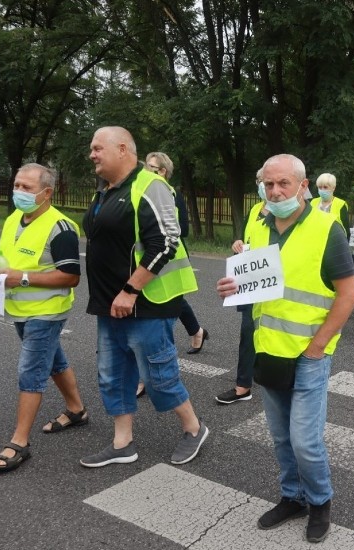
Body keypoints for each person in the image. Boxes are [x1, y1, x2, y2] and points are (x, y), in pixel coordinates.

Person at [216, 153, 354, 544]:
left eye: (283, 183)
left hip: (309, 353)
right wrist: (231, 288)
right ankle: (292, 497)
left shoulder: (327, 229)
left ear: (302, 185)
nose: (275, 191)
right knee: (280, 436)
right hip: (269, 347)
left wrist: (317, 347)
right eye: (269, 184)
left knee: (304, 441)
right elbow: (252, 287)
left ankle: (320, 501)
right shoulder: (258, 226)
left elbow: (348, 296)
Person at [80, 126, 208, 468]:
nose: (91, 154)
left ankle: (194, 428)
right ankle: (123, 443)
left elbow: (165, 242)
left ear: (122, 149)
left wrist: (130, 290)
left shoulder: (151, 186)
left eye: (97, 148)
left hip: (146, 301)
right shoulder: (105, 189)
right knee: (113, 374)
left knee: (157, 376)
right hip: (110, 302)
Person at [0, 163, 87, 472]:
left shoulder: (61, 227)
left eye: (27, 188)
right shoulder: (14, 219)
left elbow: (70, 277)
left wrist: (22, 278)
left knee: (31, 369)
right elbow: (1, 265)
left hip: (48, 312)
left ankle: (19, 442)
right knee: (51, 360)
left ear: (47, 193)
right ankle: (77, 409)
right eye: (17, 185)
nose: (19, 192)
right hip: (20, 311)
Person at [145, 152, 209, 355]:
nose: (146, 171)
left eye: (151, 168)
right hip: (150, 253)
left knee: (171, 301)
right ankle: (197, 331)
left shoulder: (172, 194)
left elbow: (183, 229)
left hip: (170, 254)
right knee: (166, 300)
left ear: (162, 171)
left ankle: (190, 335)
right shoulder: (143, 191)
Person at [215, 173, 268, 405]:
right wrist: (238, 243)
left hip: (273, 282)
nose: (263, 186)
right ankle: (243, 385)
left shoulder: (287, 212)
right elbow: (246, 239)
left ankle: (276, 380)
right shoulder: (255, 209)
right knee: (248, 332)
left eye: (267, 181)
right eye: (260, 182)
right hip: (252, 281)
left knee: (273, 333)